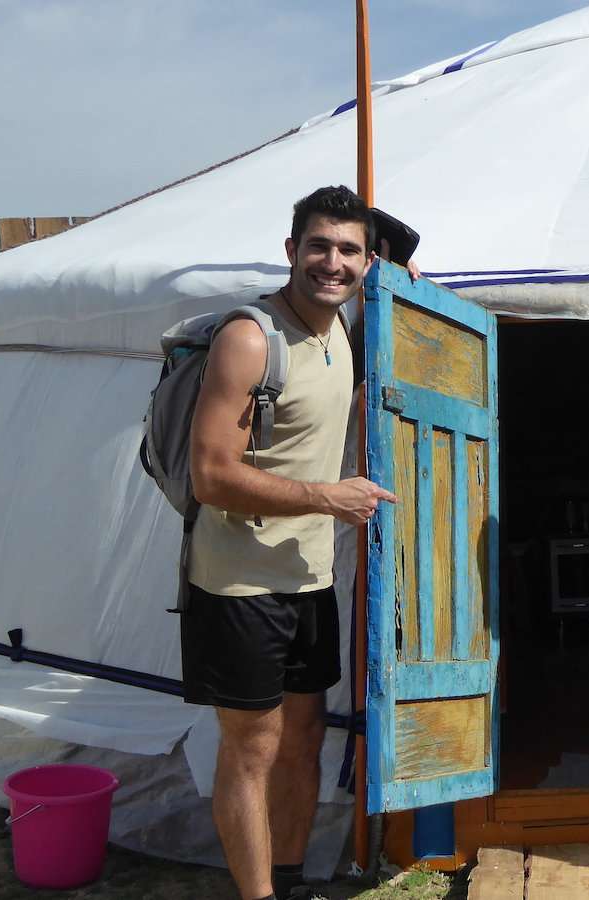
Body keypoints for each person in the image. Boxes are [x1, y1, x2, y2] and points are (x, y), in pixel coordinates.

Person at [183, 185, 401, 900]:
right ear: (291, 251)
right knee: (253, 751)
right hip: (240, 583)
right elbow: (212, 475)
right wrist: (324, 497)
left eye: (348, 251)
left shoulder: (343, 330)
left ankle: (290, 880)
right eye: (318, 246)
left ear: (369, 262)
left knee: (305, 739)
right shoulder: (251, 339)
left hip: (309, 578)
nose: (331, 263)